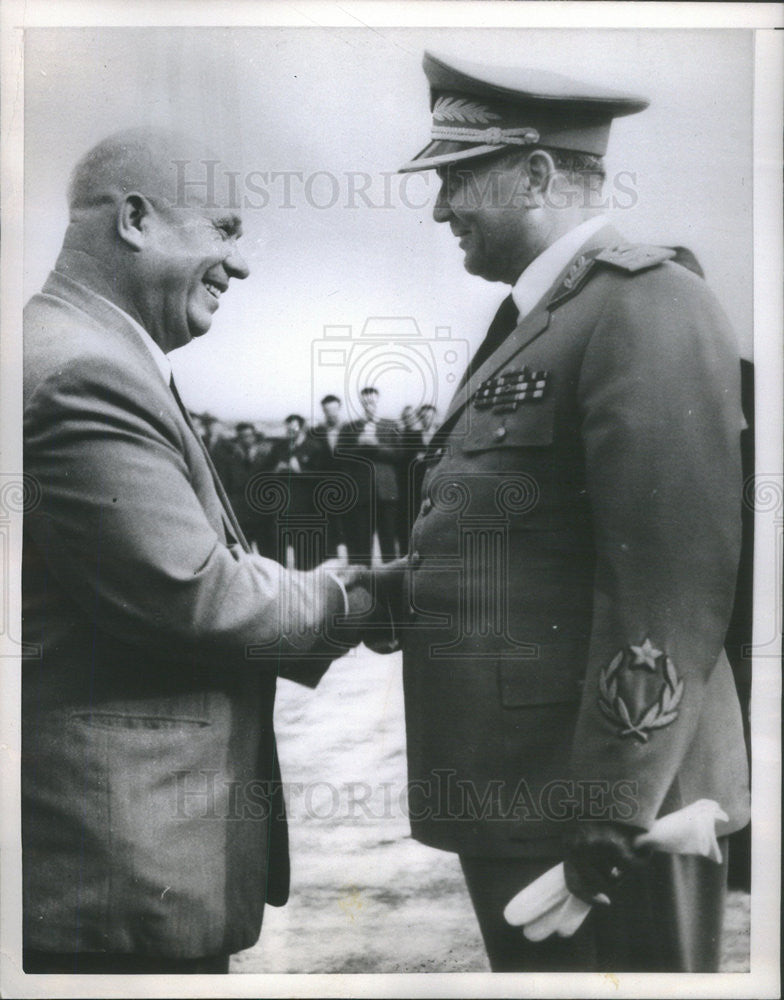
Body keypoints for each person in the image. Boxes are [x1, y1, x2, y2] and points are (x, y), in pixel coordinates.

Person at [384, 51, 750, 972]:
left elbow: (671, 582)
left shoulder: (647, 307)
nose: (440, 209)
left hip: (603, 819)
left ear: (538, 172)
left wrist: (613, 807)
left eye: (458, 179)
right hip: (528, 796)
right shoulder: (545, 315)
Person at [21, 127, 374, 974]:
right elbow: (189, 589)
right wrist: (356, 596)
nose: (241, 263)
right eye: (223, 228)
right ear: (136, 218)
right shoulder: (82, 372)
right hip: (111, 877)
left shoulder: (74, 349)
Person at [337, 386, 402, 565]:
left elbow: (399, 454)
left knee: (388, 540)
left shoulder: (390, 425)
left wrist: (375, 445)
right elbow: (340, 454)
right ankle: (363, 583)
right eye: (365, 402)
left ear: (377, 401)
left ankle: (391, 584)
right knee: (361, 541)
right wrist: (360, 445)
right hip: (361, 493)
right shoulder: (349, 428)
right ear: (360, 403)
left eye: (372, 402)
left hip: (386, 492)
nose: (369, 405)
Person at [269, 414, 326, 570]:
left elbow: (321, 476)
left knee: (304, 551)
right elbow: (267, 471)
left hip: (305, 507)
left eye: (294, 428)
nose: (290, 432)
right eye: (288, 428)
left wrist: (300, 471)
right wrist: (276, 470)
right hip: (282, 506)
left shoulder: (314, 447)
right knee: (278, 549)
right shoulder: (279, 447)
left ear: (302, 428)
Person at [310, 394, 348, 562]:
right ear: (323, 411)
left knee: (350, 526)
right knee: (329, 526)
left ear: (339, 409)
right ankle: (331, 563)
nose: (330, 413)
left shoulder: (350, 429)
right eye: (327, 410)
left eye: (334, 409)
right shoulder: (316, 431)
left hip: (348, 483)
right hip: (324, 485)